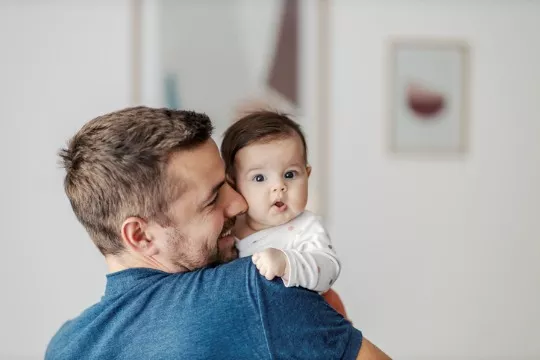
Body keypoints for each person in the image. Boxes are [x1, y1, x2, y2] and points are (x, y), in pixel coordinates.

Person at [46, 106, 391, 359]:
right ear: (140, 236)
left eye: (229, 183)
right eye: (212, 200)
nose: (240, 204)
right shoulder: (256, 289)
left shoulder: (64, 347)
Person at [221, 111, 339, 294]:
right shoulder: (229, 227)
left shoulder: (305, 227)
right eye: (259, 178)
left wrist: (286, 262)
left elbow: (329, 269)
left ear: (307, 175)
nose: (279, 186)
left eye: (290, 174)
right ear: (233, 183)